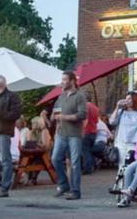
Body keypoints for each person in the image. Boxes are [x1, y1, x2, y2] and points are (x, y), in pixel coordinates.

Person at [52, 71, 87, 200]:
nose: (62, 82)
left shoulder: (79, 96)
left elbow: (82, 114)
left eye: (65, 79)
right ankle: (64, 184)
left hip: (74, 135)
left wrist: (65, 117)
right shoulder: (61, 96)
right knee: (55, 159)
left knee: (75, 163)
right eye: (62, 79)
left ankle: (75, 191)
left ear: (72, 81)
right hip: (61, 134)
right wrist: (53, 116)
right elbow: (55, 112)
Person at [109, 91, 137, 173]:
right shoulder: (121, 111)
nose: (127, 101)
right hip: (121, 143)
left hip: (135, 144)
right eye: (126, 99)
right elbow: (112, 121)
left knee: (132, 167)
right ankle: (121, 185)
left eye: (129, 99)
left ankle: (130, 185)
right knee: (121, 167)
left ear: (135, 99)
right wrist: (117, 107)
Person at [22, 116, 53, 185]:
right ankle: (29, 179)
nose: (32, 125)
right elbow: (28, 143)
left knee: (35, 162)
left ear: (37, 124)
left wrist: (36, 144)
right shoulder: (31, 132)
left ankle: (33, 178)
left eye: (33, 123)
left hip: (43, 155)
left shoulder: (44, 132)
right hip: (34, 154)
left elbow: (46, 146)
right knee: (27, 160)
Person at [82, 94, 100, 174]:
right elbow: (97, 121)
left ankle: (88, 169)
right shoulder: (95, 108)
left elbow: (83, 119)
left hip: (86, 131)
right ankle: (93, 165)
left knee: (85, 151)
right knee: (89, 151)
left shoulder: (85, 107)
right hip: (94, 132)